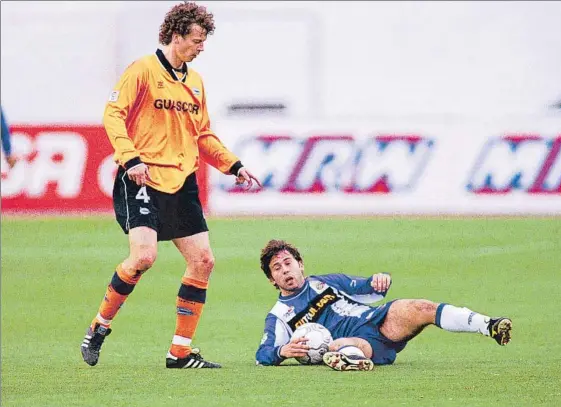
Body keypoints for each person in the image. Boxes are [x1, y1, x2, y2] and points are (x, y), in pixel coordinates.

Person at [80, 1, 261, 369]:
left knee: (203, 261)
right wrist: (130, 157)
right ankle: (99, 326)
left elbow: (203, 134)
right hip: (142, 177)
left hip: (182, 182)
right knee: (144, 257)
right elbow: (113, 113)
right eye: (196, 39)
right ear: (176, 36)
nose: (201, 47)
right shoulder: (143, 70)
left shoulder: (195, 82)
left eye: (203, 40)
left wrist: (234, 165)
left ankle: (179, 352)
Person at [255, 240, 512, 371]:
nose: (285, 270)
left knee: (421, 307)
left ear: (300, 264)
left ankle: (488, 325)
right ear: (272, 279)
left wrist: (379, 280)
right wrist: (283, 352)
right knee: (339, 345)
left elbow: (367, 288)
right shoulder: (279, 317)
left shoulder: (326, 283)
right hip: (356, 342)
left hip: (378, 320)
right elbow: (262, 355)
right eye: (277, 268)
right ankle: (352, 360)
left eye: (288, 263)